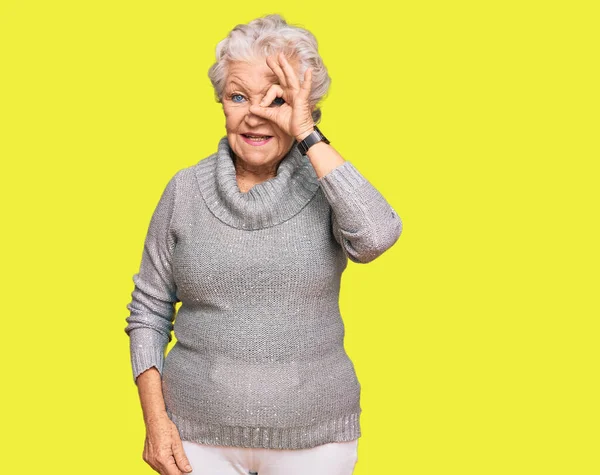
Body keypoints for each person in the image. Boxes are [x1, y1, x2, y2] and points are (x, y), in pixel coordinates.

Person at [125, 14, 402, 475]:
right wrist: (156, 424)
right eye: (238, 97)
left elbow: (376, 237)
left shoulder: (326, 185)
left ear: (306, 108)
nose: (255, 114)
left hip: (315, 441)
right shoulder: (184, 191)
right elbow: (147, 313)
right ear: (221, 103)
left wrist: (308, 135)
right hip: (195, 439)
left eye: (277, 99)